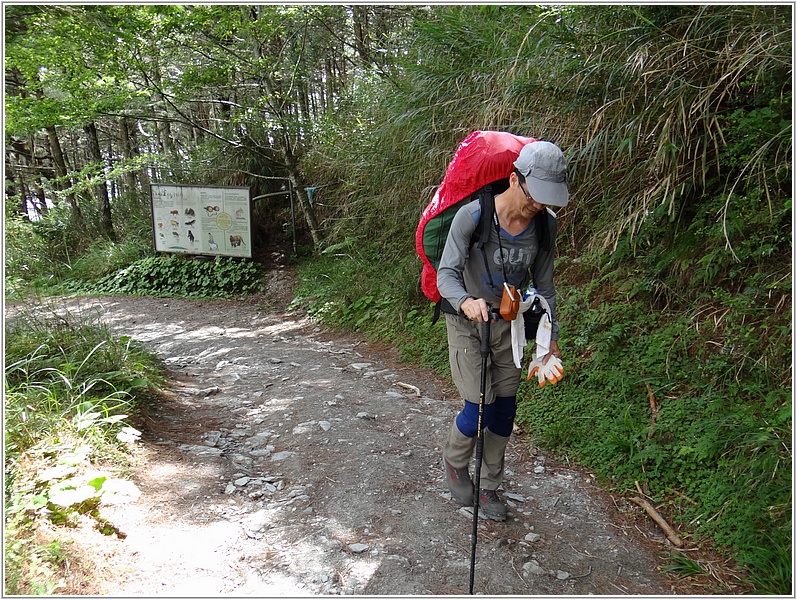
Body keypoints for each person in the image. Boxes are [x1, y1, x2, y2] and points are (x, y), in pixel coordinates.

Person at [437, 140, 569, 521]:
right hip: (467, 322)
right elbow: (446, 273)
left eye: (548, 199)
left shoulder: (545, 225)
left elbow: (545, 287)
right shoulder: (472, 217)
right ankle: (455, 460)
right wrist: (466, 300)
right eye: (535, 196)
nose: (539, 205)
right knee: (479, 404)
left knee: (504, 408)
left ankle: (490, 484)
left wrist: (551, 338)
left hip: (510, 326)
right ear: (515, 179)